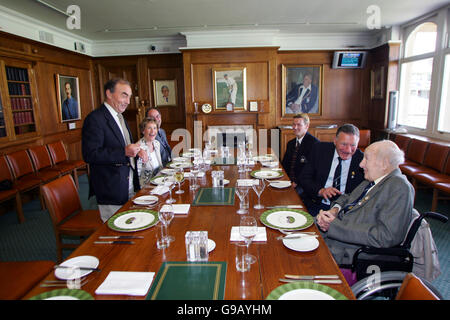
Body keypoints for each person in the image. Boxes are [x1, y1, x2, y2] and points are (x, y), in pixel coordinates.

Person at [316, 140, 414, 266]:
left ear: (384, 163)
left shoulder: (399, 187)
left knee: (295, 258)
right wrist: (334, 210)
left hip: (351, 251)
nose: (361, 164)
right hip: (338, 234)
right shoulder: (374, 180)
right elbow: (347, 197)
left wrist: (334, 226)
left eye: (366, 159)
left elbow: (385, 237)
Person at [82, 78, 141, 222]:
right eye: (124, 95)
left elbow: (124, 144)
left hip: (127, 183)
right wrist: (124, 152)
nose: (128, 101)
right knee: (114, 232)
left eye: (129, 97)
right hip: (111, 186)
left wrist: (138, 151)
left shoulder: (120, 117)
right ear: (109, 93)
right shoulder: (95, 119)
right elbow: (90, 154)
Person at [299, 124, 364, 216]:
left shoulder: (362, 160)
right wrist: (321, 191)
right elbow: (304, 178)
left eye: (353, 145)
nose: (348, 150)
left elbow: (362, 191)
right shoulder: (319, 150)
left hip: (345, 211)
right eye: (344, 144)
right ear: (335, 141)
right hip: (317, 204)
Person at [281, 113, 319, 195]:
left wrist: (296, 182)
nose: (295, 127)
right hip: (288, 182)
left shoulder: (314, 144)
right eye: (293, 124)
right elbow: (285, 164)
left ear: (307, 126)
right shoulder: (290, 144)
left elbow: (311, 170)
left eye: (299, 125)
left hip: (303, 185)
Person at [136, 117, 163, 187]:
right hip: (146, 186)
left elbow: (160, 166)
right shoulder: (138, 148)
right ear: (143, 131)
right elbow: (137, 174)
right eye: (149, 128)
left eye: (154, 128)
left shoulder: (157, 143)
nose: (152, 131)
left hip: (160, 182)